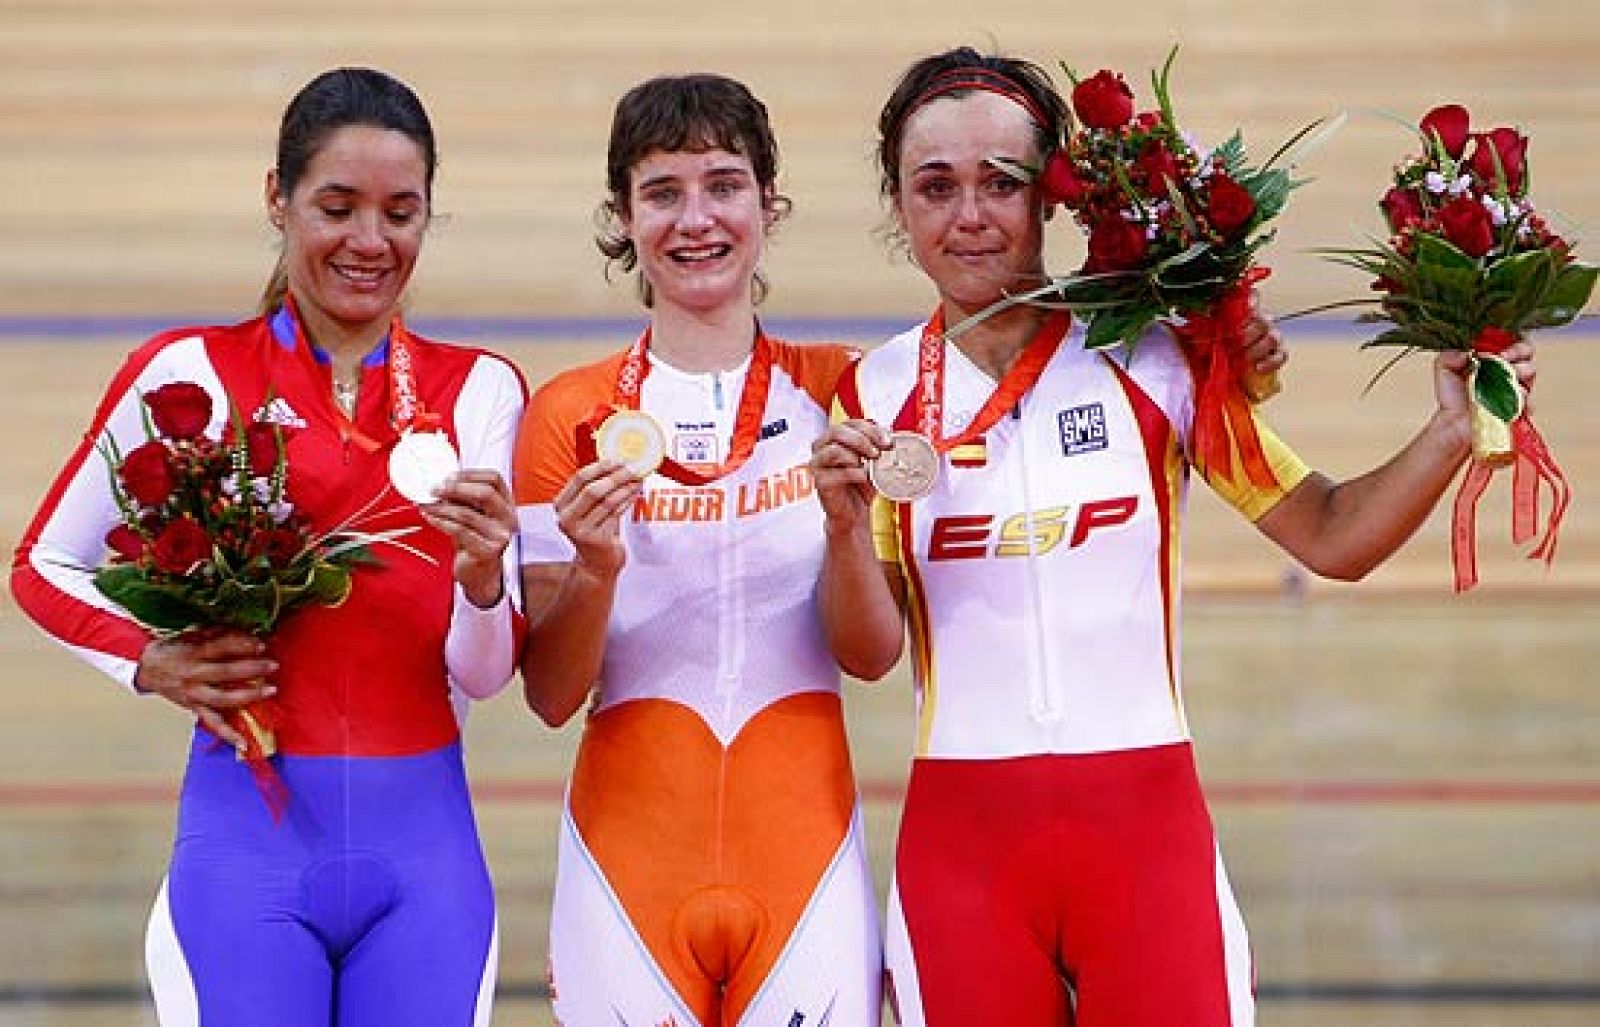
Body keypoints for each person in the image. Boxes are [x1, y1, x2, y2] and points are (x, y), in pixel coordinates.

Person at [808, 47, 1538, 1027]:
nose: (968, 214)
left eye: (1001, 182)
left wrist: (1451, 429)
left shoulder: (1156, 361)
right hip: (962, 858)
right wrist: (845, 528)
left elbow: (1332, 537)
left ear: (1053, 200)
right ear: (896, 206)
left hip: (1145, 841)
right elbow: (867, 653)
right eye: (934, 186)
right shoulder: (872, 395)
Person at [10, 67, 526, 1025]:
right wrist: (150, 659)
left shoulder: (484, 390)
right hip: (245, 852)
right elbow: (41, 565)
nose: (371, 241)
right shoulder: (187, 372)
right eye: (338, 206)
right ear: (277, 199)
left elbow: (487, 675)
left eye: (401, 212)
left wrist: (486, 581)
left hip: (427, 864)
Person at [511, 73, 883, 1026]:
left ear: (769, 202)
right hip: (625, 864)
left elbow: (871, 656)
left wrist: (848, 526)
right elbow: (552, 696)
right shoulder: (567, 413)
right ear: (623, 219)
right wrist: (594, 568)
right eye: (663, 192)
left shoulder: (844, 389)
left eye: (723, 184)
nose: (696, 219)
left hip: (805, 856)